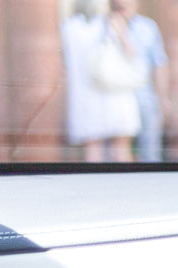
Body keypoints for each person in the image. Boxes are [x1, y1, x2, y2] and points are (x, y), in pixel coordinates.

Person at [60, 0, 143, 162]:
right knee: (120, 150)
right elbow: (133, 54)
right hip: (115, 93)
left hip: (86, 97)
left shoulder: (69, 27)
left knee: (93, 149)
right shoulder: (111, 22)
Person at [112, 0, 169, 163]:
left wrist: (162, 97)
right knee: (119, 150)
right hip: (116, 96)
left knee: (149, 148)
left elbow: (159, 64)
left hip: (143, 95)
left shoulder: (147, 27)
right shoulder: (105, 25)